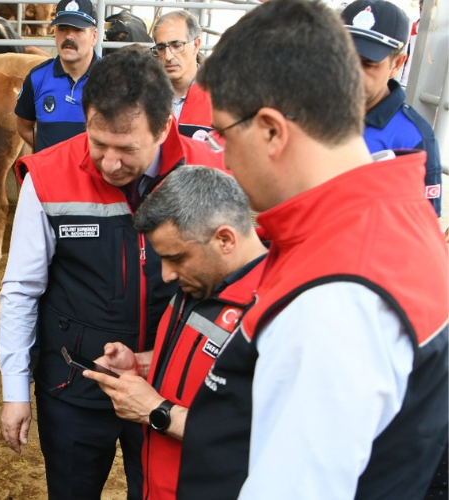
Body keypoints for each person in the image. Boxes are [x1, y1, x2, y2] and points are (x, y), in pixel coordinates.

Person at [172, 0, 449, 499]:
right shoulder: (389, 213)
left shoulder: (334, 299)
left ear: (272, 131)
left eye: (224, 135)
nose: (224, 158)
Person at [0, 50, 222, 500]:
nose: (110, 164)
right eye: (98, 143)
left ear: (163, 128)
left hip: (170, 386)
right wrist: (15, 389)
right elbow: (21, 288)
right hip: (74, 382)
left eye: (127, 149)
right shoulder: (47, 176)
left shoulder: (208, 171)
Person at [82, 166, 267, 500]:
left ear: (225, 239)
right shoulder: (198, 283)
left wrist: (157, 411)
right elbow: (211, 363)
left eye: (176, 258)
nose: (166, 275)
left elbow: (264, 437)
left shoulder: (277, 313)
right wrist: (141, 364)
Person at [340, 0, 442, 216]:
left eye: (368, 64)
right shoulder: (310, 113)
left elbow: (421, 227)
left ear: (397, 64)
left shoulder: (414, 138)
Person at [15, 0, 100, 154]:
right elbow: (23, 125)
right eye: (62, 28)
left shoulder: (113, 79)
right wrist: (48, 151)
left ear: (94, 37)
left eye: (78, 30)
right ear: (55, 34)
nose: (69, 36)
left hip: (94, 176)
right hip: (51, 175)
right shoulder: (37, 78)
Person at [151, 11, 213, 140]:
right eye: (161, 48)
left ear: (196, 45)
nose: (168, 56)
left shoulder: (222, 96)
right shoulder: (145, 95)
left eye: (177, 45)